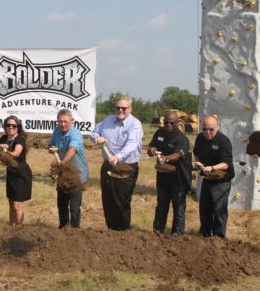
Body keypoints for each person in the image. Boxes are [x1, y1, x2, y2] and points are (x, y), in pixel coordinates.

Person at [91, 96, 143, 231]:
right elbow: (94, 132)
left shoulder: (135, 124)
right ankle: (111, 232)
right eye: (118, 108)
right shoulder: (108, 121)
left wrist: (118, 157)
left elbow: (132, 144)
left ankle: (123, 232)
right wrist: (97, 138)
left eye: (124, 108)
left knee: (121, 201)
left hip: (125, 166)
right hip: (108, 165)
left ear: (130, 109)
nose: (120, 110)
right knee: (108, 200)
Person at [147, 110, 191, 235]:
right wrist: (151, 150)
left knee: (178, 209)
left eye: (171, 123)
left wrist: (166, 158)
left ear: (176, 122)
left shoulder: (181, 138)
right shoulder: (159, 133)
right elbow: (152, 146)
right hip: (163, 178)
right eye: (166, 122)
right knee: (161, 207)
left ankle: (177, 235)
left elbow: (178, 155)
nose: (168, 125)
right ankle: (157, 231)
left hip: (178, 179)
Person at [193, 115, 234, 238]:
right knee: (205, 208)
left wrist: (212, 167)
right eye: (205, 129)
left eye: (211, 129)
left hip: (221, 180)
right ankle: (205, 235)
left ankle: (218, 238)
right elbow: (196, 152)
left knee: (219, 209)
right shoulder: (200, 138)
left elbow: (226, 164)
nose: (208, 132)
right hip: (207, 177)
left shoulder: (223, 141)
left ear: (217, 128)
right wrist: (198, 162)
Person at [48, 109, 89, 229]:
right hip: (63, 174)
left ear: (72, 121)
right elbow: (51, 145)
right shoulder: (56, 131)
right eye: (60, 121)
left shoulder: (75, 134)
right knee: (62, 204)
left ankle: (74, 231)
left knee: (74, 207)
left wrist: (63, 162)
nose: (62, 124)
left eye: (65, 121)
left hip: (77, 174)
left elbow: (72, 149)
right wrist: (51, 149)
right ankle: (63, 229)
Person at [0, 115, 32, 226]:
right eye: (8, 125)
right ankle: (11, 227)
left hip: (21, 173)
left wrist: (6, 151)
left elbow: (16, 153)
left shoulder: (20, 139)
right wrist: (0, 149)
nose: (10, 127)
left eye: (13, 126)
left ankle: (19, 229)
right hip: (11, 172)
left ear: (18, 127)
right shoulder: (3, 138)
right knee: (11, 203)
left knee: (17, 205)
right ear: (5, 127)